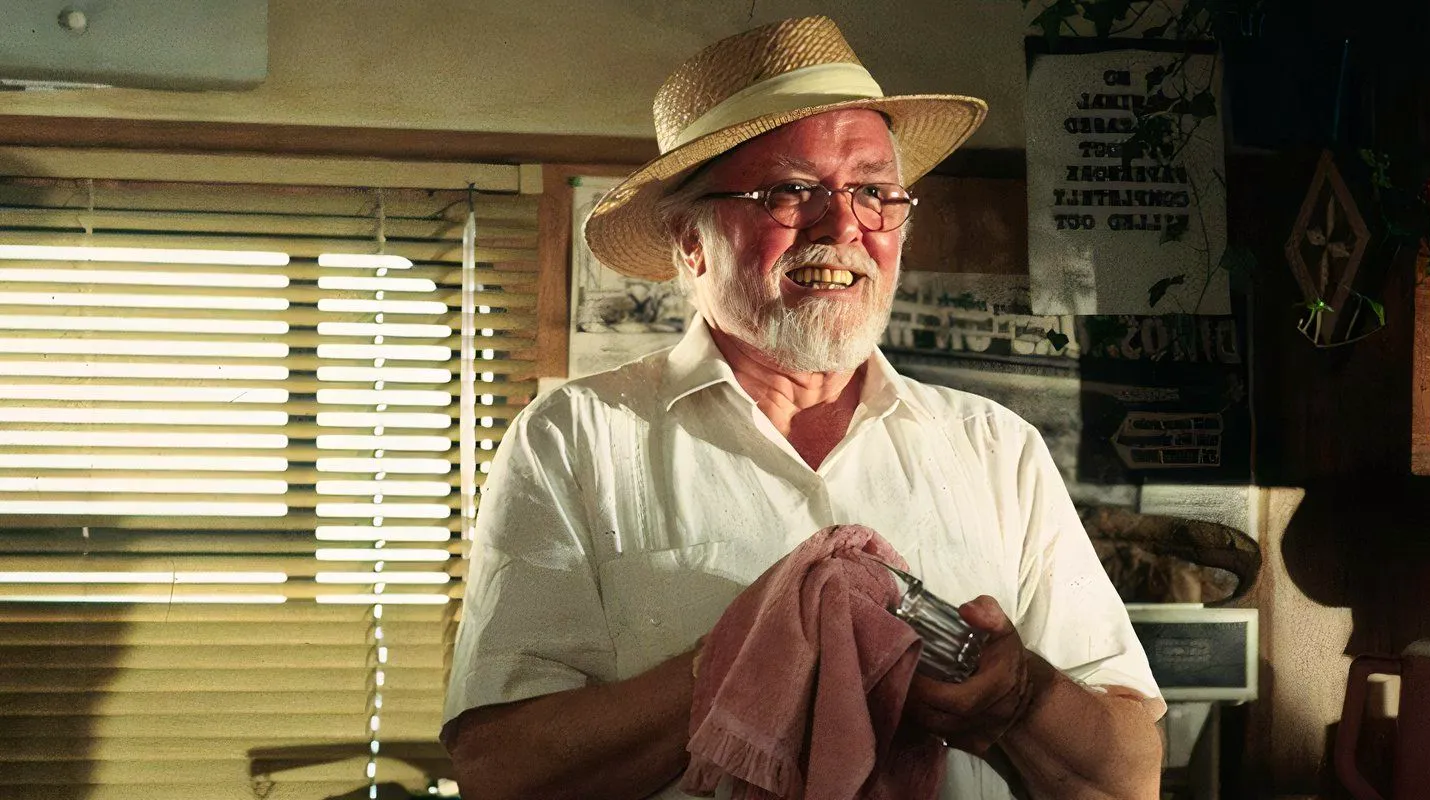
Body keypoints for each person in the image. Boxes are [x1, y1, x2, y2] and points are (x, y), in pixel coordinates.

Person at [443, 15, 1165, 800]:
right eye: (790, 191)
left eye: (873, 192)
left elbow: (1125, 777)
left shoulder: (997, 447)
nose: (844, 226)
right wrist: (750, 655)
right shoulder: (575, 439)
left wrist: (1020, 695)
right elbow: (500, 770)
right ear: (692, 241)